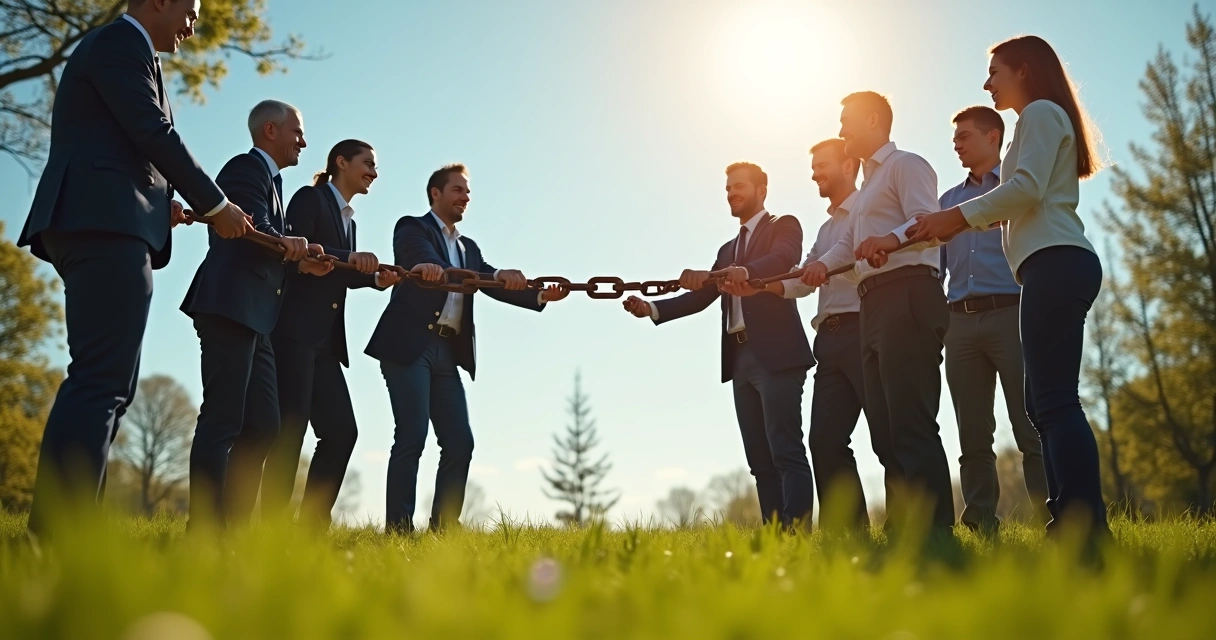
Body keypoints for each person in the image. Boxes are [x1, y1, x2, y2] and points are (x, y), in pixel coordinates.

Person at [18, 0, 250, 536]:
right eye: (190, 10)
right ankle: (56, 533)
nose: (195, 23)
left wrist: (161, 198)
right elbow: (151, 131)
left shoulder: (127, 53)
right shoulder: (120, 42)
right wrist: (215, 205)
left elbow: (123, 141)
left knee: (110, 383)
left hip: (106, 220)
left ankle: (70, 528)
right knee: (101, 379)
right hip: (103, 225)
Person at [907, 36, 1108, 538]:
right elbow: (1017, 196)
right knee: (1044, 404)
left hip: (1055, 263)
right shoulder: (1038, 119)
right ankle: (1071, 521)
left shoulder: (1039, 112)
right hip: (1049, 266)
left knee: (1055, 402)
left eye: (994, 72)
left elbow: (1024, 190)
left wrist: (956, 217)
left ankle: (1083, 525)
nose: (987, 82)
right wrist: (950, 220)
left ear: (1023, 70)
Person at [365, 164, 568, 533]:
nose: (465, 197)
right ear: (435, 194)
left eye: (468, 192)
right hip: (409, 346)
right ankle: (398, 530)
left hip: (447, 354)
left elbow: (488, 280)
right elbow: (418, 257)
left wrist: (535, 292)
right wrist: (434, 268)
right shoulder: (412, 227)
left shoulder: (468, 248)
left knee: (460, 441)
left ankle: (444, 528)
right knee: (411, 436)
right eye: (458, 190)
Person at [624, 162, 816, 528]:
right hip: (739, 358)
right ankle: (776, 534)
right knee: (760, 461)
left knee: (786, 451)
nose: (732, 193)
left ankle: (800, 532)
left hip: (778, 355)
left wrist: (748, 272)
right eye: (728, 188)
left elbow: (783, 259)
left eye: (739, 186)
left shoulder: (783, 226)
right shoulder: (727, 249)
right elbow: (703, 298)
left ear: (762, 189)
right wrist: (651, 307)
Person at [724, 141, 898, 530]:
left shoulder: (867, 213)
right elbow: (802, 280)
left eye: (822, 165)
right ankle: (851, 532)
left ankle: (906, 525)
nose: (815, 173)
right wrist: (760, 287)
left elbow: (846, 259)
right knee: (824, 442)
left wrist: (814, 267)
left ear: (849, 164)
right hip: (829, 339)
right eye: (813, 166)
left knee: (886, 436)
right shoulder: (825, 227)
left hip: (864, 329)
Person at [802, 92, 955, 533]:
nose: (842, 129)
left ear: (874, 120)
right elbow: (846, 248)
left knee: (911, 419)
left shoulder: (907, 165)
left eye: (847, 120)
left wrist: (890, 240)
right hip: (873, 302)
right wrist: (814, 268)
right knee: (885, 429)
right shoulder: (868, 185)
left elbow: (929, 223)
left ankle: (934, 531)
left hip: (908, 293)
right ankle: (903, 529)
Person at [181, 100, 331, 529]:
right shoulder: (246, 169)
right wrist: (288, 243)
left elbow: (268, 237)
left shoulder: (274, 181)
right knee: (223, 417)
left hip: (259, 317)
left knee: (265, 424)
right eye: (297, 132)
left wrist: (299, 258)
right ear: (270, 130)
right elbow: (250, 228)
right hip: (231, 306)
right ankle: (205, 529)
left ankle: (233, 527)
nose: (303, 141)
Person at [261, 140, 408, 527]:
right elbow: (294, 256)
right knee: (289, 433)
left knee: (342, 432)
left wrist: (374, 279)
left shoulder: (350, 219)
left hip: (325, 343)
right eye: (368, 164)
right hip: (293, 334)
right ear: (341, 162)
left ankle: (310, 526)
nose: (374, 173)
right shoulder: (309, 199)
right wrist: (350, 262)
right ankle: (272, 531)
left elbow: (338, 271)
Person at [938, 106, 1047, 531]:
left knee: (1031, 424)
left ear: (993, 137)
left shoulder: (1017, 190)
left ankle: (1053, 519)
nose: (957, 144)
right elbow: (938, 268)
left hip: (1012, 315)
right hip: (959, 325)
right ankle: (981, 520)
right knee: (972, 434)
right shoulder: (947, 203)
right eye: (955, 138)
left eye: (964, 136)